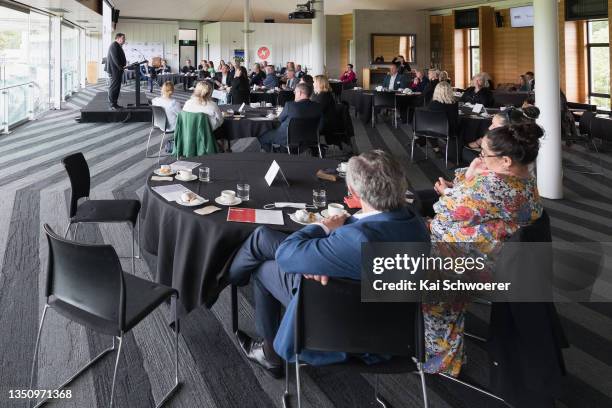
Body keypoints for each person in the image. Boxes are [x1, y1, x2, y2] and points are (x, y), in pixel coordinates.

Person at [228, 150, 430, 376]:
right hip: (396, 335)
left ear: (353, 191)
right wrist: (322, 263)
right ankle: (235, 277)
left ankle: (270, 354)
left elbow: (286, 255)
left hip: (337, 332)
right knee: (264, 239)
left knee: (263, 266)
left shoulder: (356, 239)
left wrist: (324, 227)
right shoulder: (417, 225)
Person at [422, 122, 544, 378]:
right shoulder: (522, 180)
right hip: (490, 253)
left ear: (506, 160)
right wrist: (470, 176)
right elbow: (459, 190)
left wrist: (467, 179)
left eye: (485, 154)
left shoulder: (494, 186)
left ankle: (442, 358)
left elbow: (444, 208)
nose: (480, 158)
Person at [259, 83, 322, 151]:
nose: (294, 94)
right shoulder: (318, 106)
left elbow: (279, 120)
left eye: (295, 92)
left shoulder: (290, 105)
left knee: (262, 136)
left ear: (300, 93)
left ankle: (275, 153)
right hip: (311, 138)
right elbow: (321, 124)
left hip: (288, 137)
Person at [426, 81, 458, 153]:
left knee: (429, 127)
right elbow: (454, 119)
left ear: (436, 91)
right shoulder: (454, 103)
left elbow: (429, 119)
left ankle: (436, 148)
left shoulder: (432, 104)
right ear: (449, 91)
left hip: (433, 130)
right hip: (449, 131)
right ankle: (452, 145)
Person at [105, 33, 127, 110]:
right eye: (123, 38)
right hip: (114, 70)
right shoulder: (114, 45)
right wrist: (120, 67)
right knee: (114, 87)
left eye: (124, 38)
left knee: (116, 87)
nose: (124, 40)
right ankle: (112, 104)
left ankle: (115, 103)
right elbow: (115, 58)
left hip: (117, 70)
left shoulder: (117, 45)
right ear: (117, 38)